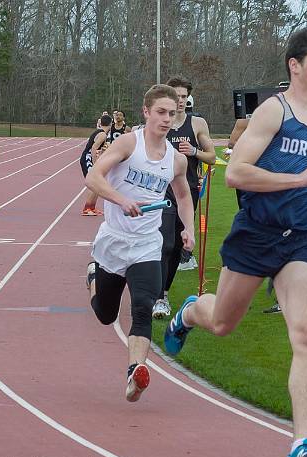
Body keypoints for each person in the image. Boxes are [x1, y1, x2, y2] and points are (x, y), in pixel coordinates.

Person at [164, 27, 307, 457]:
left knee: (306, 333)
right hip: (256, 234)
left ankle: (301, 443)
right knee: (221, 322)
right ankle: (188, 313)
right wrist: (298, 179)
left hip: (300, 241)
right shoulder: (272, 113)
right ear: (295, 66)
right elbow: (235, 173)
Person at [84, 84, 195, 402]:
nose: (166, 119)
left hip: (147, 243)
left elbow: (184, 195)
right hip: (114, 241)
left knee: (143, 307)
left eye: (172, 114)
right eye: (160, 112)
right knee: (105, 314)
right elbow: (93, 178)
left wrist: (188, 229)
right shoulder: (128, 144)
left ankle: (135, 371)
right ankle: (93, 276)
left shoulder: (175, 160)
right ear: (146, 112)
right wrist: (120, 199)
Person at [151, 76, 216, 319]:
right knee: (165, 244)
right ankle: (158, 298)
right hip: (162, 191)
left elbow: (212, 156)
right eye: (175, 96)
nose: (179, 101)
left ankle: (164, 292)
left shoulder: (197, 123)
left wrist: (195, 151)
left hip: (188, 192)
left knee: (178, 246)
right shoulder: (160, 123)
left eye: (183, 97)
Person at [80, 114, 112, 216]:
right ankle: (87, 208)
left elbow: (98, 148)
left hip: (90, 158)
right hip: (87, 159)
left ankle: (92, 208)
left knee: (97, 183)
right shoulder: (102, 134)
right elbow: (94, 148)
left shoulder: (101, 133)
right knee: (93, 183)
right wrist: (95, 164)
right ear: (110, 124)